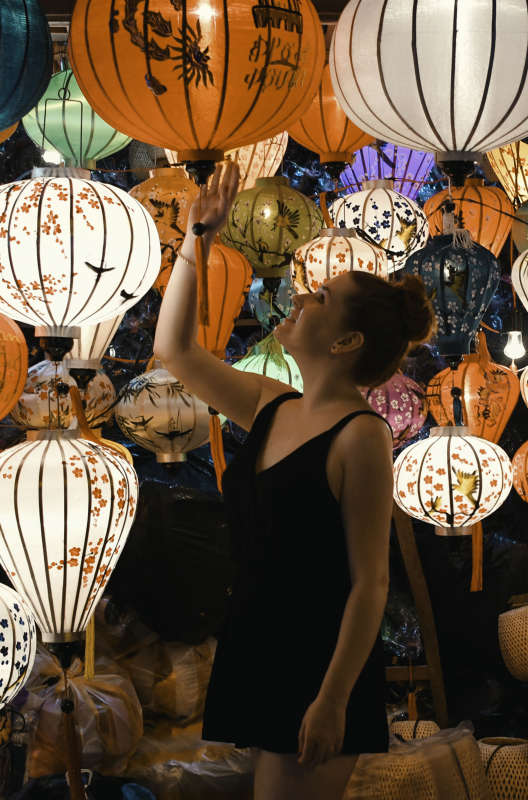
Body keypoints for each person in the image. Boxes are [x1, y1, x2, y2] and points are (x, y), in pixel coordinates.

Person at [153, 161, 436, 800]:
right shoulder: (273, 403)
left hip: (318, 662)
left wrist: (333, 699)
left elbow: (372, 583)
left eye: (321, 299)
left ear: (346, 342)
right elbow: (176, 350)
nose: (302, 297)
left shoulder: (362, 436)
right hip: (265, 645)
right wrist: (199, 241)